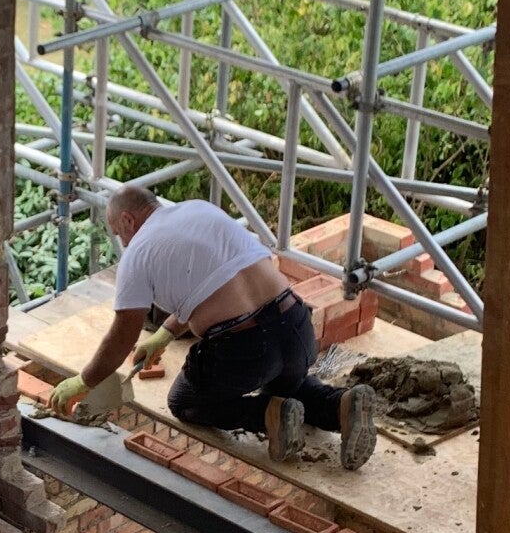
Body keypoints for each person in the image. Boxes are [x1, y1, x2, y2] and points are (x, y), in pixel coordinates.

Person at [49, 187, 377, 468]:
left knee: (185, 401)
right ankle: (340, 405)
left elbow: (123, 335)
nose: (121, 241)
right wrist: (166, 333)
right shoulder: (199, 210)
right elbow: (215, 279)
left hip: (246, 350)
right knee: (285, 382)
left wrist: (84, 380)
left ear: (127, 220)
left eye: (118, 232)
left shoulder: (138, 252)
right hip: (297, 329)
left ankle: (269, 414)